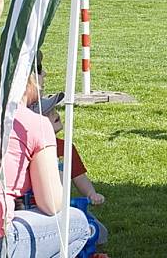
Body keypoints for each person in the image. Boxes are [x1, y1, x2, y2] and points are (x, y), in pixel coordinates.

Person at [0, 46, 89, 258]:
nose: (44, 74)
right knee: (76, 223)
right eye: (39, 69)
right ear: (26, 78)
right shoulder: (33, 123)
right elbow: (51, 205)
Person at [30, 92, 109, 249]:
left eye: (54, 110)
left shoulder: (66, 148)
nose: (55, 114)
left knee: (99, 232)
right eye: (48, 113)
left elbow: (79, 177)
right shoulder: (31, 147)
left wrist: (91, 194)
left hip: (65, 205)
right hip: (37, 207)